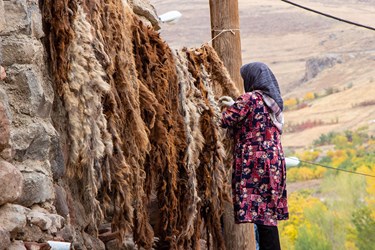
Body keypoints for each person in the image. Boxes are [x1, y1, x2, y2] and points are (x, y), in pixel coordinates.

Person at [219, 62, 288, 250]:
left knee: (259, 213)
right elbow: (255, 121)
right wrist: (236, 105)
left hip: (254, 163)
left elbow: (225, 120)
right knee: (267, 216)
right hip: (274, 164)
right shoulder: (273, 103)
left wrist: (225, 107)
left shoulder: (250, 98)